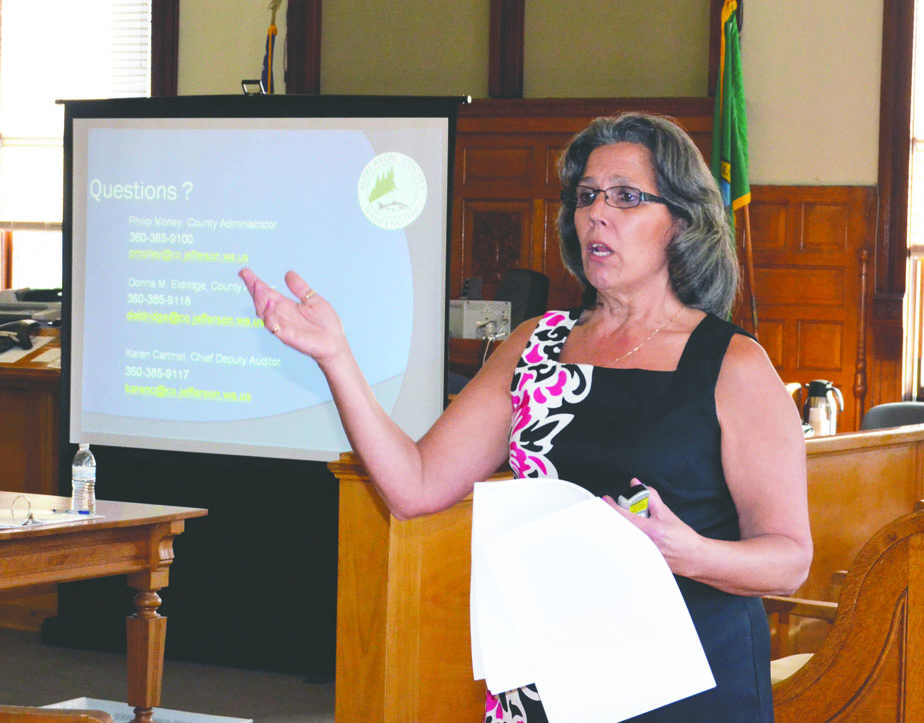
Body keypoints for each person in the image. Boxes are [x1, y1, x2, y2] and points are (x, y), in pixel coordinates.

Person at [240, 111, 812, 722]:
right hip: (551, 678)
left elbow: (789, 559)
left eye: (626, 197)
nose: (597, 213)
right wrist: (336, 357)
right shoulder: (536, 346)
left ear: (681, 221)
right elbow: (414, 485)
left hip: (688, 683)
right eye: (587, 195)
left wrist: (689, 551)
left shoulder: (732, 364)